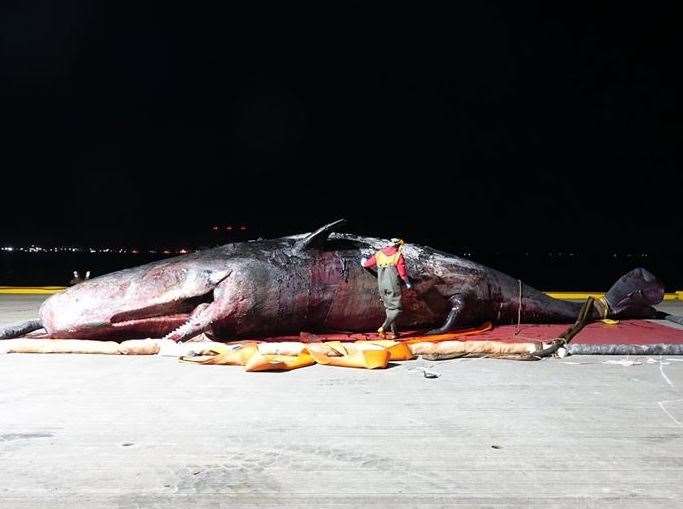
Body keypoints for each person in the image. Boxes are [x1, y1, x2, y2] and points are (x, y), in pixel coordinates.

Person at [361, 238, 411, 339]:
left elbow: (366, 264)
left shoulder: (379, 254)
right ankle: (383, 328)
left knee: (389, 309)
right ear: (398, 246)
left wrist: (363, 261)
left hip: (382, 285)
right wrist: (407, 283)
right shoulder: (397, 256)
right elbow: (402, 273)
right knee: (397, 309)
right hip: (392, 284)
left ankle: (394, 333)